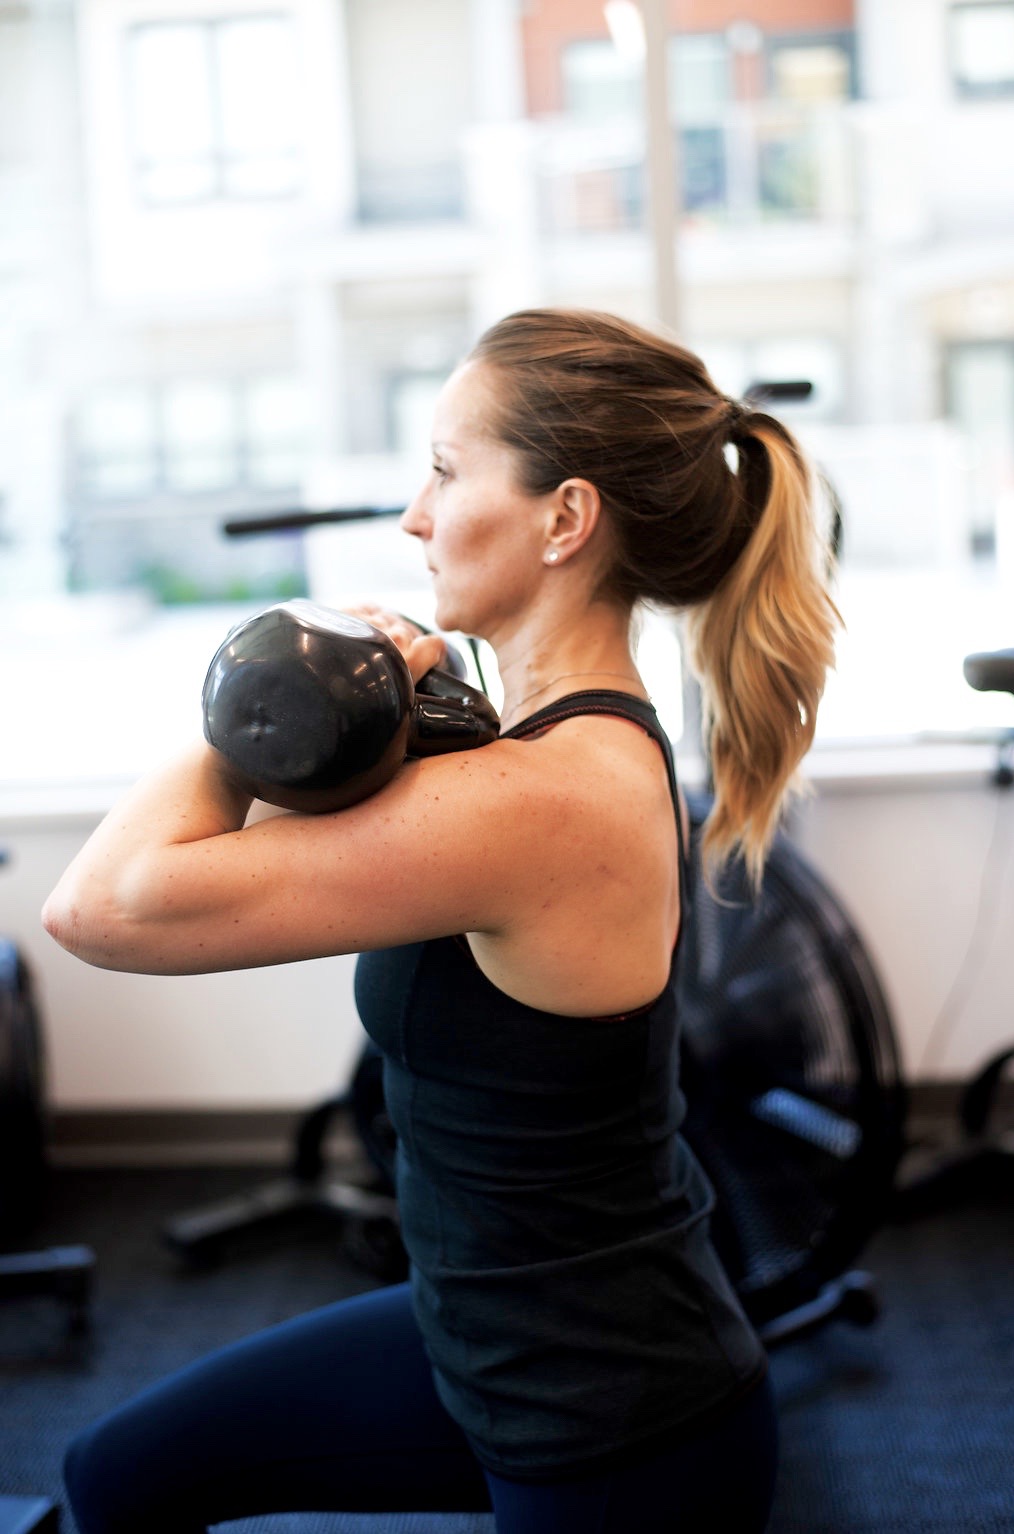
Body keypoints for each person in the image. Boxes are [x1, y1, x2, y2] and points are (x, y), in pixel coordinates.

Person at [43, 307, 838, 1534]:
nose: (415, 515)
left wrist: (265, 695)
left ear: (565, 518)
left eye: (445, 471)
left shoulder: (544, 797)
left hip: (606, 1421)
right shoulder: (516, 746)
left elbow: (99, 906)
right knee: (115, 1479)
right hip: (483, 1323)